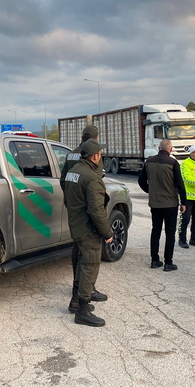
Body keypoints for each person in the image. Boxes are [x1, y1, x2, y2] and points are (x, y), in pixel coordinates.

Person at [64, 139, 113, 327]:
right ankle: (82, 311)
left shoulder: (72, 172)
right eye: (100, 154)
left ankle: (75, 302)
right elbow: (97, 210)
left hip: (76, 223)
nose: (101, 157)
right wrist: (107, 232)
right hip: (87, 228)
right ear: (95, 156)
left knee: (80, 262)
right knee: (90, 265)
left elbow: (68, 199)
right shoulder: (92, 177)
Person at [137, 139, 187, 271]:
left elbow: (141, 180)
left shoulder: (149, 161)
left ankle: (154, 260)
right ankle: (168, 263)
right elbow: (180, 185)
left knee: (156, 231)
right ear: (170, 150)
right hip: (170, 203)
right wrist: (184, 202)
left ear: (159, 148)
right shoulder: (173, 163)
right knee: (170, 234)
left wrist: (150, 191)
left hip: (155, 203)